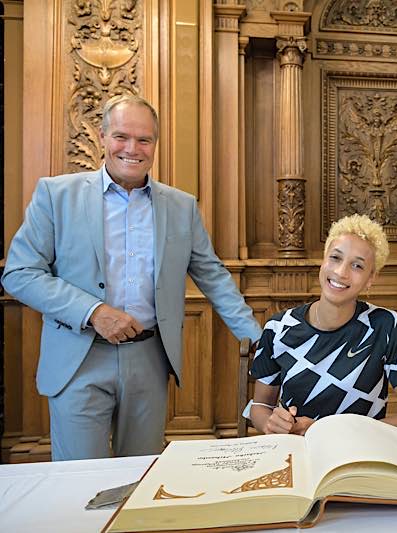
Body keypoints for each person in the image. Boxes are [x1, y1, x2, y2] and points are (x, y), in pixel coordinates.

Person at [1, 94, 262, 460]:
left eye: (144, 139)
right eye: (122, 136)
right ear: (103, 138)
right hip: (79, 358)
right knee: (79, 485)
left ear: (155, 144)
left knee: (138, 482)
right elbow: (19, 273)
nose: (132, 149)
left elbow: (213, 277)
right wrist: (93, 311)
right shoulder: (56, 195)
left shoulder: (181, 205)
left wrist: (260, 340)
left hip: (149, 359)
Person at [248, 214, 397, 436]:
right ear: (323, 260)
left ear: (371, 278)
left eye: (357, 266)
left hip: (359, 457)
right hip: (297, 454)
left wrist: (325, 431)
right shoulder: (278, 328)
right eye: (335, 258)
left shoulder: (387, 326)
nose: (340, 272)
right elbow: (260, 407)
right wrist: (271, 424)